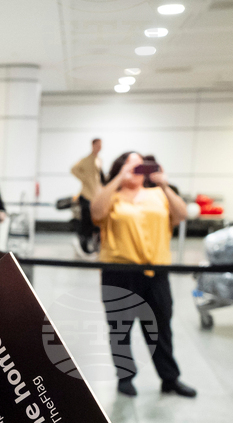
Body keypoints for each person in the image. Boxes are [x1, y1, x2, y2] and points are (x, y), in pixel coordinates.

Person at [91, 151, 196, 398]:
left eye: (141, 166)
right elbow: (96, 213)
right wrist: (118, 179)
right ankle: (124, 377)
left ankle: (170, 378)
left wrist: (164, 184)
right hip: (119, 271)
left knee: (161, 327)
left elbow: (181, 215)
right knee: (120, 327)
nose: (136, 170)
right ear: (120, 168)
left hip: (156, 271)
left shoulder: (158, 193)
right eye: (130, 165)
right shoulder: (112, 195)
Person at [71, 138, 104, 257]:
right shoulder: (86, 160)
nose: (99, 147)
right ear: (93, 145)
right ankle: (84, 246)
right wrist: (85, 178)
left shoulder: (98, 160)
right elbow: (73, 169)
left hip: (95, 195)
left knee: (94, 223)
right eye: (97, 145)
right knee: (86, 222)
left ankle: (92, 246)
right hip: (86, 195)